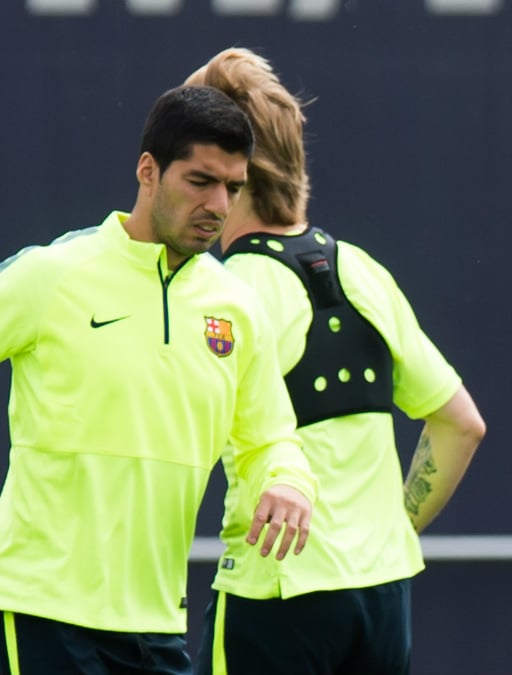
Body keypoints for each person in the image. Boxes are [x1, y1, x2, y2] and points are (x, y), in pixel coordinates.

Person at [0, 85, 318, 675]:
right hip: (40, 606)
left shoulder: (236, 305)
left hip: (157, 623)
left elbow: (271, 437)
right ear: (147, 171)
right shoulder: (53, 273)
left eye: (233, 188)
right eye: (200, 181)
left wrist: (289, 482)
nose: (218, 203)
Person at [185, 48, 485, 675]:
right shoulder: (362, 270)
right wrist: (388, 532)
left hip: (276, 592)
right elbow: (461, 424)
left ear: (232, 165)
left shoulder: (224, 292)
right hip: (382, 595)